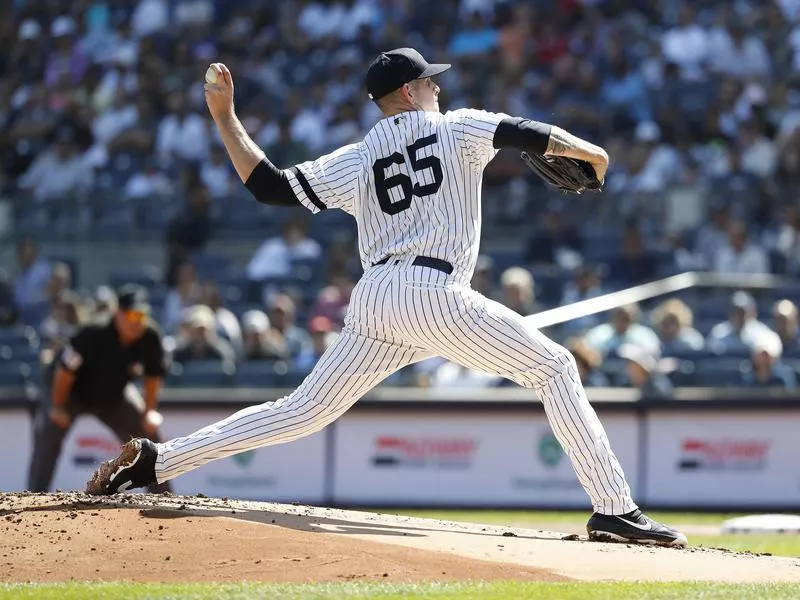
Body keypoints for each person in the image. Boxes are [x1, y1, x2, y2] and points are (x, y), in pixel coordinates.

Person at [87, 50, 686, 546]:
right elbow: (523, 132)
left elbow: (268, 187)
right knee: (555, 367)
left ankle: (158, 462)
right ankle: (614, 509)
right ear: (406, 91)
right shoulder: (457, 127)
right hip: (432, 289)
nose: (437, 89)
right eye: (429, 81)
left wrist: (224, 116)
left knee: (302, 411)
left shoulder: (358, 156)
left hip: (375, 296)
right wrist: (591, 152)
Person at [28, 286, 170, 493]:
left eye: (141, 314)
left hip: (114, 394)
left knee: (148, 436)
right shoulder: (93, 333)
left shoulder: (150, 337)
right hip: (70, 392)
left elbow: (153, 376)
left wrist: (148, 411)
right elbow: (64, 371)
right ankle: (34, 496)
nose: (136, 320)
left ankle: (164, 499)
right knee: (49, 433)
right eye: (131, 314)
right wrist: (57, 406)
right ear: (118, 314)